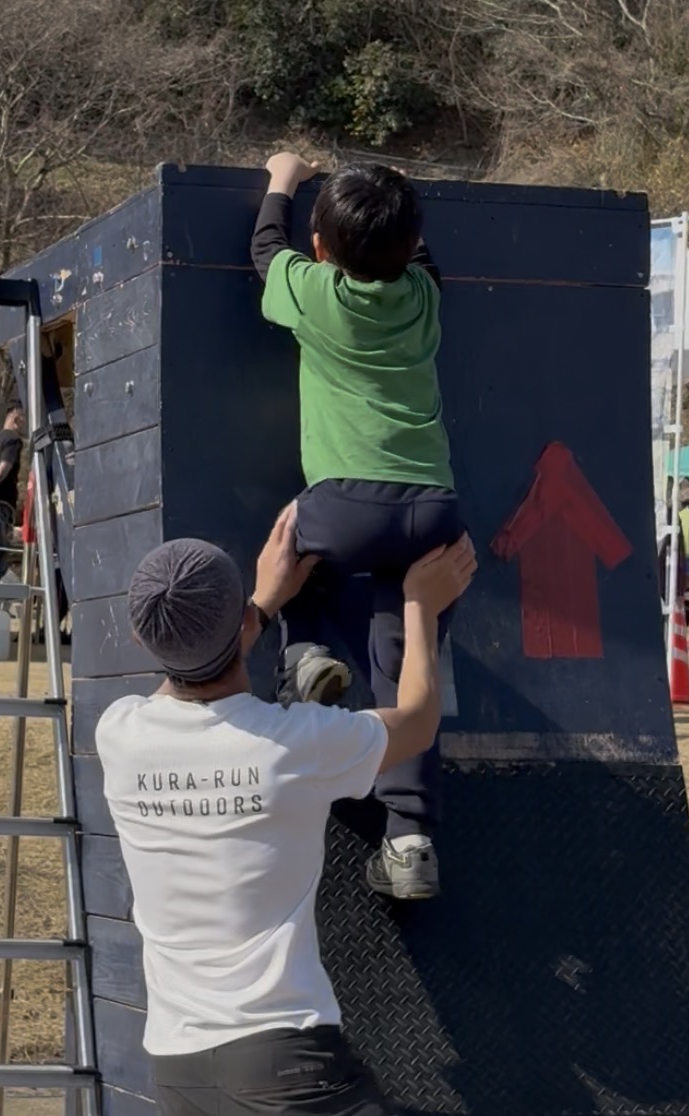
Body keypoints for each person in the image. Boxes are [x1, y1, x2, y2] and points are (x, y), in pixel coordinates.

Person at [96, 504, 475, 1116]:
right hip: (286, 1068)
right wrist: (419, 608)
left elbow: (186, 682)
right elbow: (418, 721)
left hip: (179, 1071)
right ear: (241, 620)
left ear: (142, 638)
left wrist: (259, 608)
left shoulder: (120, 735)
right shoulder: (294, 745)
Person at [250, 153, 461, 900]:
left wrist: (282, 178)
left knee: (290, 547)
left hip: (341, 505)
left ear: (320, 250)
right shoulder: (425, 300)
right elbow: (419, 256)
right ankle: (408, 837)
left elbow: (262, 251)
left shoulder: (311, 294)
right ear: (411, 250)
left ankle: (303, 652)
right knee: (405, 654)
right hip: (432, 510)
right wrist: (398, 191)